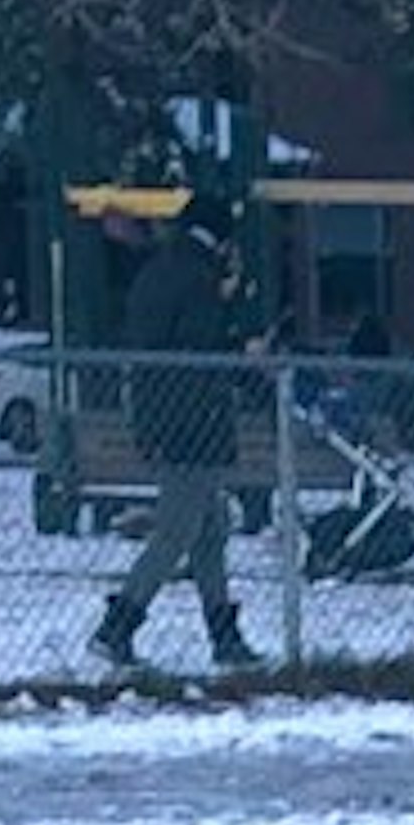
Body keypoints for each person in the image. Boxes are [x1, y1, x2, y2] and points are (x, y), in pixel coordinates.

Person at [94, 191, 257, 673]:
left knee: (211, 529)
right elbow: (203, 350)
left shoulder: (161, 271)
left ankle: (224, 637)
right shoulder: (199, 279)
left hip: (163, 416)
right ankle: (117, 627)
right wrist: (242, 350)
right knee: (178, 531)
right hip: (194, 423)